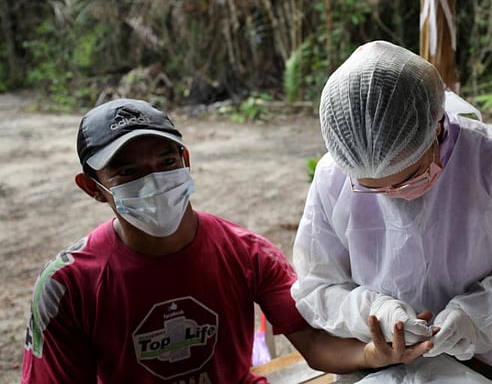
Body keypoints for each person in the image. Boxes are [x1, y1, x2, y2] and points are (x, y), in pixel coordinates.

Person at [21, 98, 432, 383]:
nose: (154, 181)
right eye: (128, 173)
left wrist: (372, 355)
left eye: (165, 163)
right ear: (92, 188)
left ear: (185, 162)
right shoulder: (68, 286)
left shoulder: (245, 253)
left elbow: (314, 340)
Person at [290, 40, 492, 376]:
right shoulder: (333, 176)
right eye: (373, 188)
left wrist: (475, 315)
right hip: (373, 362)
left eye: (407, 179)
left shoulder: (491, 162)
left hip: (476, 361)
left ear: (437, 128)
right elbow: (317, 285)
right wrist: (372, 311)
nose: (393, 196)